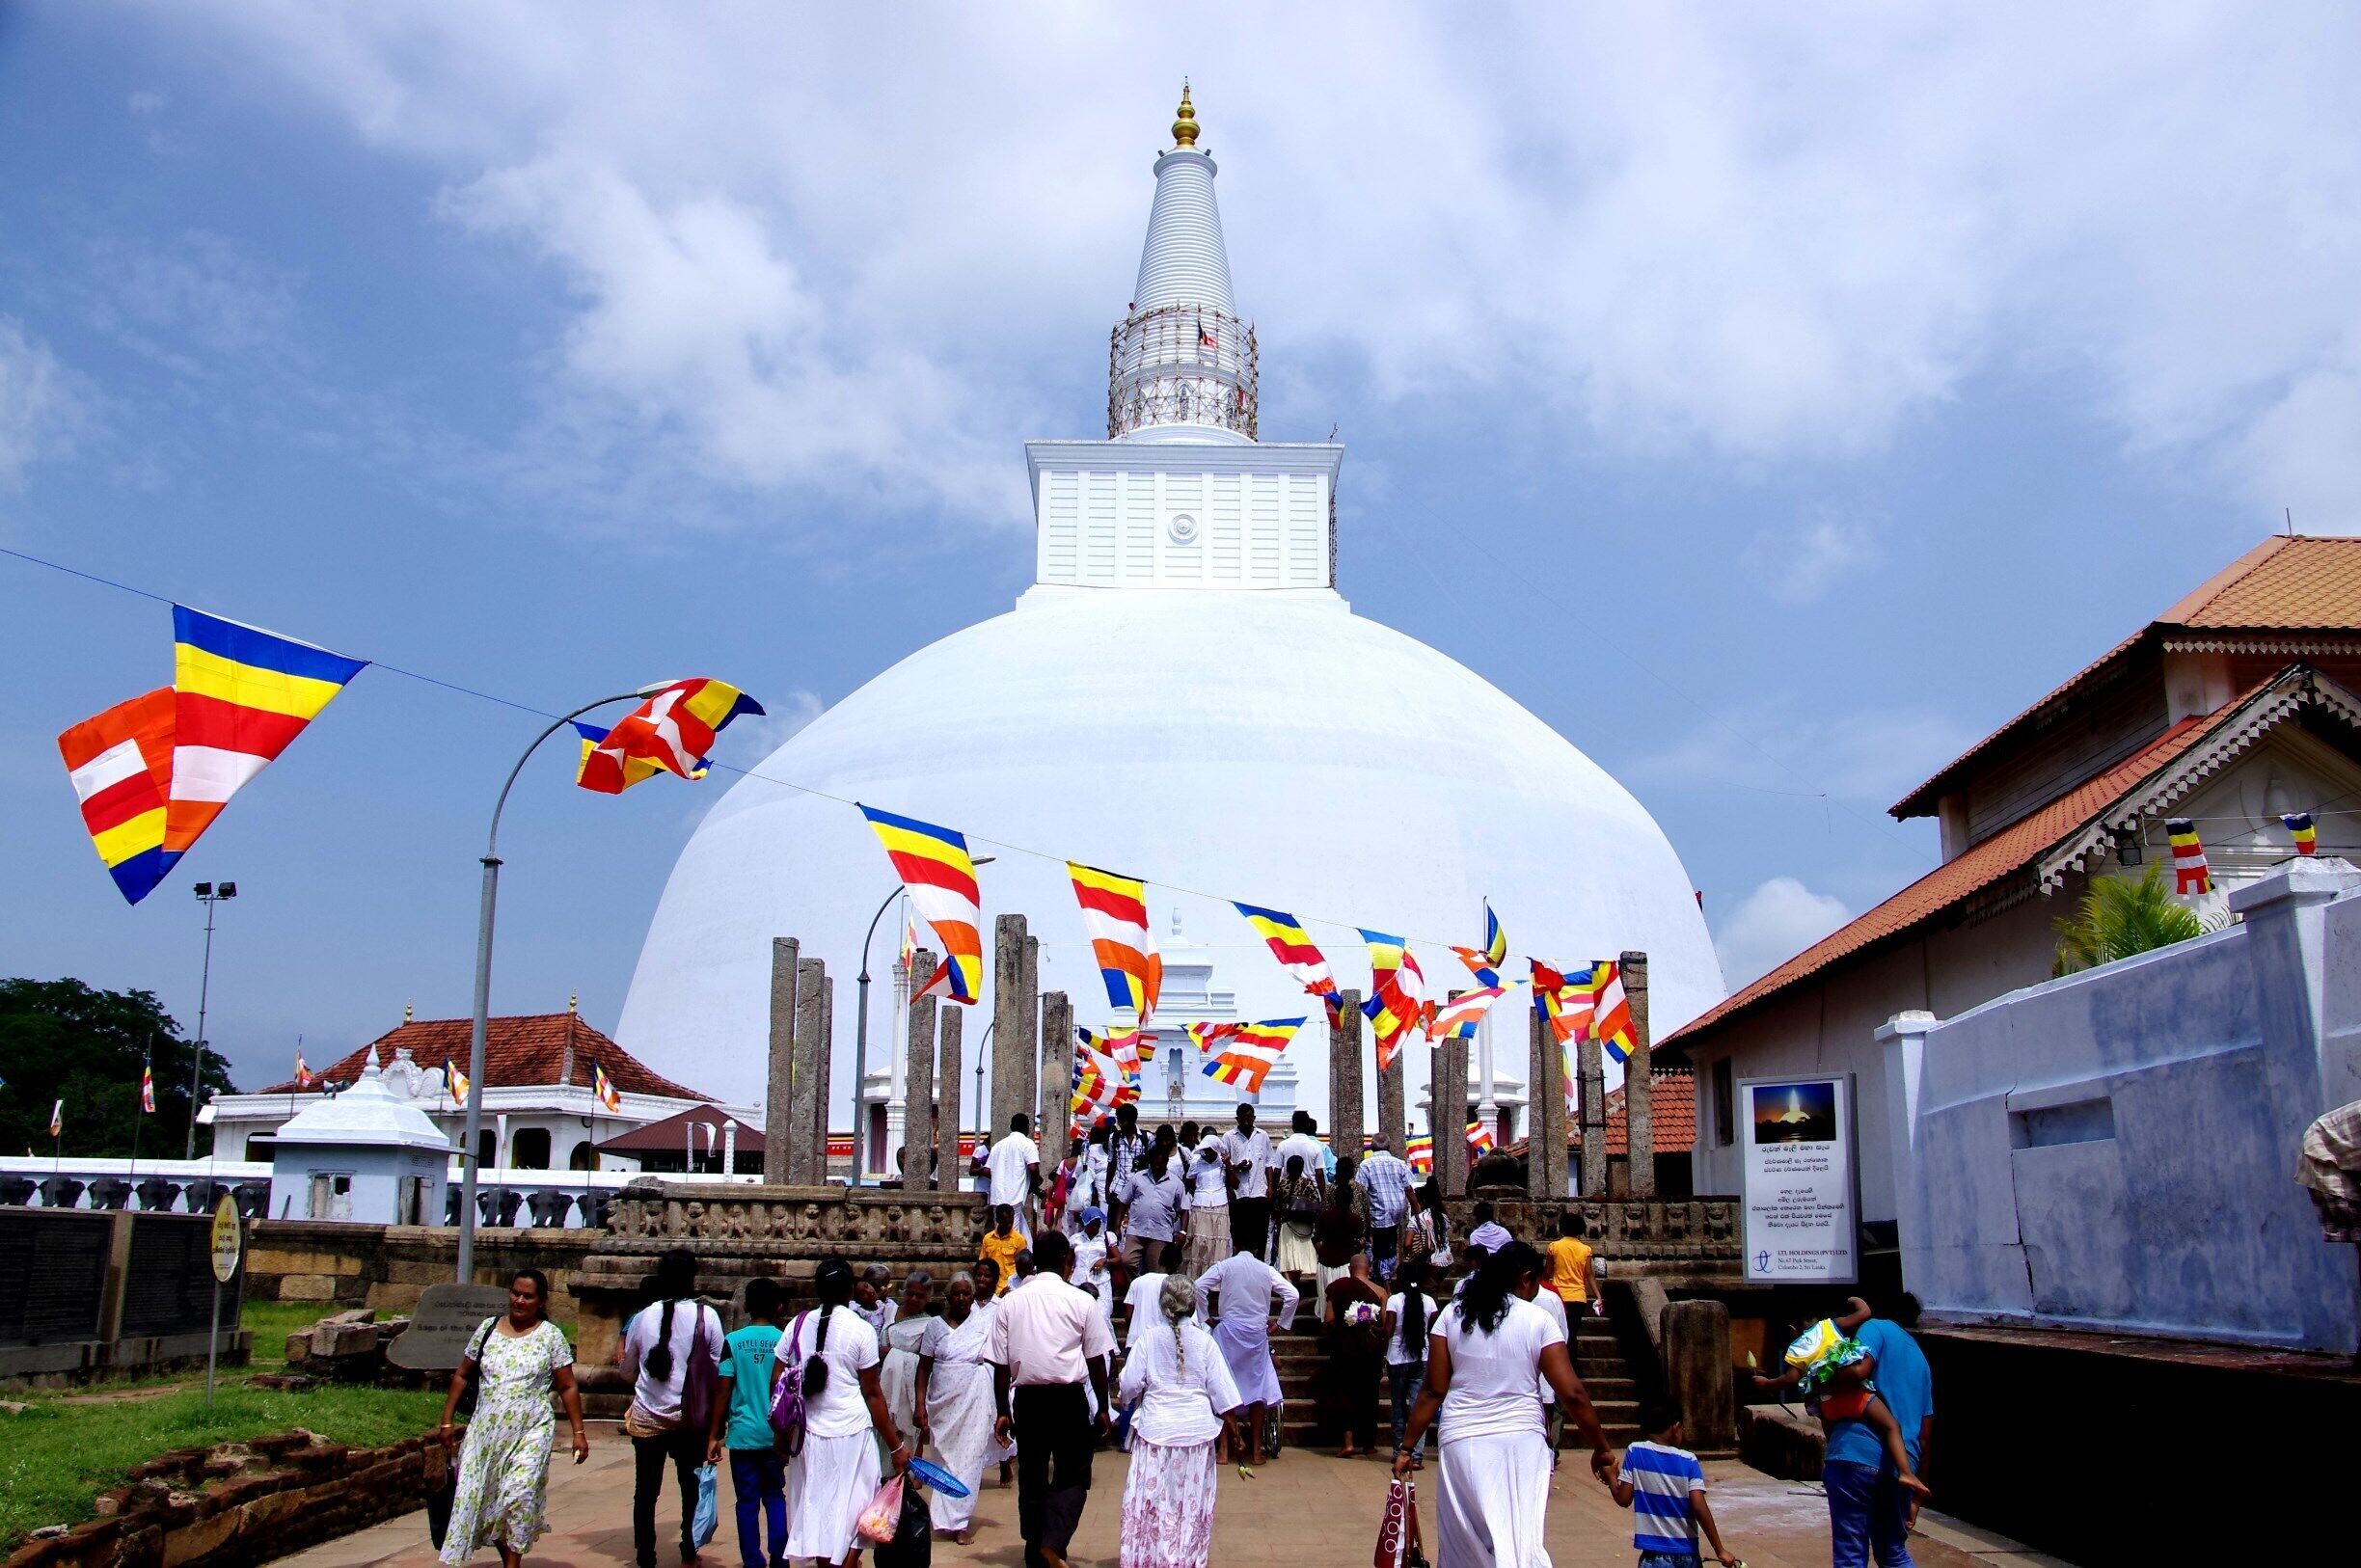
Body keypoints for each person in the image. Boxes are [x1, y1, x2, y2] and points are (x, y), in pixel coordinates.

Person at [1392, 1242, 1619, 1568]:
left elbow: (1432, 1390)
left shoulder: (1451, 1317)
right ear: (1526, 1278)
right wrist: (1602, 1448)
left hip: (1462, 1441)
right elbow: (1573, 1394)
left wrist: (1406, 1448)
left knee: (1464, 1542)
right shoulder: (1537, 1319)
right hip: (1521, 1443)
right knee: (1518, 1537)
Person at [1771, 1296, 1935, 1568]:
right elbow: (1925, 1436)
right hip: (1903, 1465)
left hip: (1856, 1454)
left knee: (1850, 1555)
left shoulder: (1875, 1328)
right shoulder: (1921, 1361)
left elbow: (1860, 1370)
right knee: (1894, 1552)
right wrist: (1916, 1496)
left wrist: (1817, 1380)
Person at [438, 1268, 585, 1568]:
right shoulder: (488, 1329)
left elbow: (568, 1386)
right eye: (515, 1293)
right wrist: (447, 1421)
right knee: (489, 1501)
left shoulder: (550, 1337)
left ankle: (513, 1564)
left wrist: (578, 1432)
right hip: (485, 1433)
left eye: (527, 1296)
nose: (519, 1300)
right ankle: (506, 1557)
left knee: (518, 1494)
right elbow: (462, 1375)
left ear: (541, 1301)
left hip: (530, 1430)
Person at [989, 1230, 1117, 1568]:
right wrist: (1103, 1408)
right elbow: (1096, 1361)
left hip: (1027, 1400)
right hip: (1068, 1399)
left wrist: (1003, 1411)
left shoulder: (1010, 1302)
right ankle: (1054, 1541)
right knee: (1073, 1475)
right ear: (1067, 1263)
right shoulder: (1081, 1301)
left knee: (1031, 1475)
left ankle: (1036, 1549)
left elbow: (1001, 1367)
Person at [773, 1257, 909, 1568]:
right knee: (857, 1515)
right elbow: (872, 1394)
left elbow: (777, 1380)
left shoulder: (796, 1324)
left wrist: (781, 1433)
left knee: (820, 1515)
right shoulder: (860, 1330)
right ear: (850, 1290)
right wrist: (896, 1446)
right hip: (852, 1437)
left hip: (807, 1437)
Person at [1117, 1274, 1244, 1568]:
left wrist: (1129, 1395)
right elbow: (1224, 1395)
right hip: (1195, 1437)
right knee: (1189, 1506)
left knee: (1153, 1503)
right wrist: (1236, 1436)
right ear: (1193, 1305)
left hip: (1155, 1433)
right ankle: (1184, 1561)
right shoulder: (1205, 1342)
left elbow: (1129, 1384)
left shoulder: (1148, 1338)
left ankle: (1149, 1559)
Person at [620, 1249, 725, 1568]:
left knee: (645, 1493)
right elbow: (722, 1370)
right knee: (690, 1488)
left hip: (648, 1416)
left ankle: (645, 1557)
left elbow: (627, 1372)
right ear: (693, 1279)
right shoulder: (707, 1317)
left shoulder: (641, 1318)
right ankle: (688, 1550)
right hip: (690, 1418)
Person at [705, 1278, 787, 1568]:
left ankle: (753, 1560)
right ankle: (780, 1557)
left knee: (747, 1503)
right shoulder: (785, 1340)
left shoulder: (733, 1341)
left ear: (746, 1305)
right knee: (775, 1496)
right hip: (776, 1434)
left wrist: (714, 1434)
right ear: (779, 1306)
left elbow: (723, 1390)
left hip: (742, 1434)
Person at [1195, 1245, 1298, 1471]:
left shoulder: (1225, 1266)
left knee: (1223, 1386)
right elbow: (1293, 1294)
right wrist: (1281, 1323)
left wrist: (1206, 1317)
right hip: (1255, 1334)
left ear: (1234, 1247)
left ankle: (1223, 1449)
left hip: (1228, 1332)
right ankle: (1256, 1451)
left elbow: (1198, 1286)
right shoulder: (1265, 1269)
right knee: (1257, 1390)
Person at [913, 1271, 994, 1544]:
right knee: (944, 1459)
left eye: (966, 1293)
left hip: (974, 1397)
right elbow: (924, 1367)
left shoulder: (984, 1322)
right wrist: (920, 1405)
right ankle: (944, 1518)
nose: (961, 1298)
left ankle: (960, 1522)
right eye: (956, 1293)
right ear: (947, 1296)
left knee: (969, 1460)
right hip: (942, 1403)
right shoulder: (935, 1327)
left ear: (973, 1297)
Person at [1614, 1395, 1741, 1568]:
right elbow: (1699, 1506)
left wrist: (1611, 1479)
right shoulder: (1689, 1460)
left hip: (1654, 1557)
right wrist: (1720, 1549)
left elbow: (1623, 1499)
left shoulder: (1635, 1451)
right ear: (1676, 1427)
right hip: (1687, 1554)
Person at [1315, 1253, 1389, 1458]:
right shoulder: (1380, 1291)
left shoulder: (1339, 1287)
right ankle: (1369, 1444)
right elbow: (1385, 1324)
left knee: (1346, 1394)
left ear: (1350, 1269)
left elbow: (1329, 1319)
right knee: (1370, 1394)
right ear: (1369, 1268)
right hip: (1370, 1351)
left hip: (1345, 1349)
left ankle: (1348, 1443)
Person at [1514, 1246, 1572, 1466]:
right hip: (1546, 1364)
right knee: (1549, 1408)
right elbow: (1563, 1335)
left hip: (1521, 1371)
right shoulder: (1552, 1297)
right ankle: (1550, 1448)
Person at [1380, 1257, 1436, 1469]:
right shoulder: (1429, 1302)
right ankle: (1416, 1456)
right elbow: (1433, 1332)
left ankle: (1397, 1452)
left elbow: (1388, 1331)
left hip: (1397, 1359)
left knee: (1398, 1409)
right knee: (1417, 1409)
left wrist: (1372, 1328)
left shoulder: (1395, 1300)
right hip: (1422, 1358)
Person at [878, 1270, 935, 1452]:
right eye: (910, 1293)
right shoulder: (888, 1311)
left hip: (910, 1390)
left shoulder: (930, 1324)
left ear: (928, 1298)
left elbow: (927, 1362)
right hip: (881, 1382)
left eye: (920, 1296)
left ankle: (911, 1479)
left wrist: (893, 1353)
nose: (913, 1299)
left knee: (909, 1437)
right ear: (903, 1292)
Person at [1113, 1131, 1186, 1274]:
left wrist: (1182, 1232)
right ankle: (1138, 1286)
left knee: (1158, 1272)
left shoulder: (1176, 1183)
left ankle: (1153, 1294)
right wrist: (1117, 1226)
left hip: (1160, 1233)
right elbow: (1123, 1202)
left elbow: (1184, 1209)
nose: (1157, 1167)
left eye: (1160, 1164)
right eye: (1154, 1165)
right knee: (1127, 1261)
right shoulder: (1138, 1178)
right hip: (1136, 1231)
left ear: (1166, 1163)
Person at [1219, 1103, 1276, 1258]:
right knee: (1240, 1236)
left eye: (1249, 1119)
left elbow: (1269, 1163)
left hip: (1259, 1193)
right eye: (1242, 1120)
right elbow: (1224, 1164)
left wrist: (1270, 1187)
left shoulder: (1262, 1136)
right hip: (1239, 1194)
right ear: (1237, 1119)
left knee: (1260, 1235)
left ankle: (1259, 1266)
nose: (1246, 1123)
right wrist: (1237, 1167)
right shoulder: (1229, 1137)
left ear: (1254, 1118)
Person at [1355, 1137, 1416, 1275]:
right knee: (1390, 1244)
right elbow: (1409, 1189)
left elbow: (1361, 1191)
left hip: (1377, 1211)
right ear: (1389, 1147)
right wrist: (1417, 1210)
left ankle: (1382, 1275)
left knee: (1378, 1247)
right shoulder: (1399, 1163)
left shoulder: (1366, 1165)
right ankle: (1386, 1271)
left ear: (1372, 1148)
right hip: (1396, 1212)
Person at [1311, 1157, 1369, 1300]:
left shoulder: (1331, 1189)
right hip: (1352, 1240)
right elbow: (1366, 1212)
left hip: (1333, 1240)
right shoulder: (1359, 1189)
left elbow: (1324, 1212)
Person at [1180, 1131, 1231, 1275]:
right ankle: (1197, 1277)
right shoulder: (1196, 1162)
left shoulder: (1223, 1162)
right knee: (1200, 1244)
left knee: (1217, 1245)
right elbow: (1188, 1182)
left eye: (1210, 1151)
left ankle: (1215, 1281)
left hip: (1220, 1205)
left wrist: (1228, 1164)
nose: (1207, 1154)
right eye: (1205, 1151)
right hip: (1200, 1205)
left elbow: (1234, 1183)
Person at [984, 1112, 1043, 1230]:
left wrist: (1000, 1177)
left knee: (1001, 1229)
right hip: (1014, 1195)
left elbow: (986, 1170)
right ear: (1027, 1127)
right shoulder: (1027, 1143)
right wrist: (1034, 1183)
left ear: (1011, 1127)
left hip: (998, 1195)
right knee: (1010, 1232)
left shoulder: (998, 1145)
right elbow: (1033, 1167)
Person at [1271, 1153, 1323, 1278]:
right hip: (1305, 1225)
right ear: (1301, 1168)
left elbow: (1277, 1208)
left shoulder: (1282, 1184)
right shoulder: (1308, 1183)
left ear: (1287, 1168)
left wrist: (1277, 1227)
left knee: (1289, 1254)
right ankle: (1307, 1276)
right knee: (1305, 1253)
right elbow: (1315, 1203)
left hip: (1287, 1225)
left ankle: (1290, 1277)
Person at [1070, 1208, 1117, 1335]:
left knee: (1103, 1315)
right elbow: (1068, 1263)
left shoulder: (1106, 1238)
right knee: (1079, 1317)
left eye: (1098, 1223)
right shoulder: (1076, 1239)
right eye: (1093, 1224)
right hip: (1080, 1282)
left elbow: (1118, 1259)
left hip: (1100, 1282)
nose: (1096, 1227)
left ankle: (1107, 1351)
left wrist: (1104, 1261)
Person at [1546, 1211, 1602, 1315]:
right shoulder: (1586, 1250)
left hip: (1558, 1295)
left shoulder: (1553, 1247)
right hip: (1578, 1297)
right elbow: (1589, 1274)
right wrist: (1598, 1296)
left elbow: (1547, 1272)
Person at [979, 1203, 1029, 1293]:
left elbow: (1023, 1268)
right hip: (991, 1289)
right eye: (1006, 1223)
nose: (1009, 1225)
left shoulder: (1019, 1240)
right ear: (998, 1219)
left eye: (1011, 1222)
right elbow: (982, 1263)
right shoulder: (987, 1238)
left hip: (1010, 1289)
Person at [853, 1263, 898, 1334]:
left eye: (867, 1286)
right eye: (863, 1293)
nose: (869, 1291)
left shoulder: (888, 1304)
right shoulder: (857, 1311)